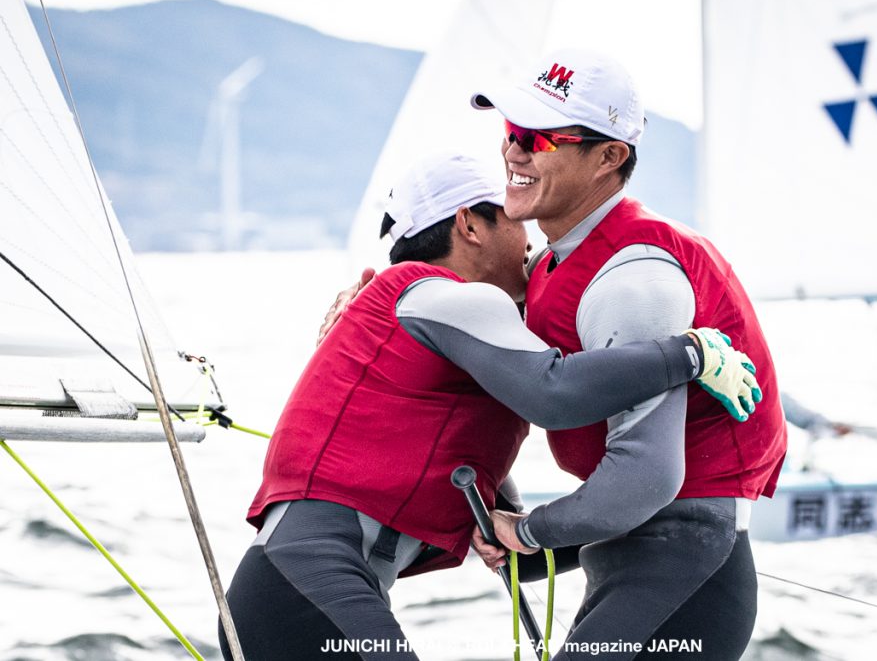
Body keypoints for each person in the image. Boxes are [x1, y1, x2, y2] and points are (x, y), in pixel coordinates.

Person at [219, 152, 762, 660]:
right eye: (513, 220)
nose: (531, 242)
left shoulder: (433, 320)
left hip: (289, 590)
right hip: (303, 586)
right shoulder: (444, 297)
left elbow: (487, 493)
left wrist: (522, 532)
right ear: (471, 226)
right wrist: (689, 353)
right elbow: (556, 392)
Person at [468, 48, 788, 660]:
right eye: (511, 132)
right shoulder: (561, 259)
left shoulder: (632, 278)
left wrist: (533, 533)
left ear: (610, 157)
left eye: (538, 138)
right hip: (646, 558)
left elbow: (648, 476)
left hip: (683, 564)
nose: (513, 151)